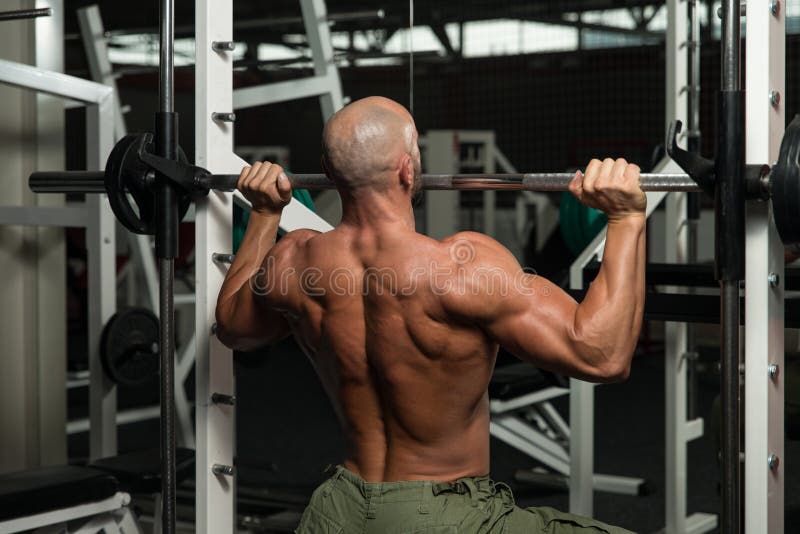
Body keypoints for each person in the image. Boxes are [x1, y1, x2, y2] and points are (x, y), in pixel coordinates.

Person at [215, 96, 645, 533]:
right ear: (407, 169)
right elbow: (602, 356)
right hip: (443, 517)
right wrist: (626, 217)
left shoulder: (293, 261)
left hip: (337, 511)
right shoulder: (461, 268)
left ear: (327, 171)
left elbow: (233, 327)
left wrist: (265, 214)